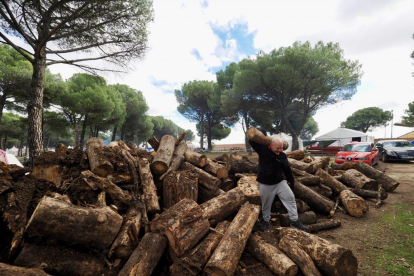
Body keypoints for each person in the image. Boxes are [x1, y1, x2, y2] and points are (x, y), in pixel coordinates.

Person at [249, 130, 308, 232]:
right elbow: (252, 141)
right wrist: (261, 132)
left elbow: (287, 170)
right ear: (270, 146)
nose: (280, 150)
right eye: (278, 148)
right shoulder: (263, 150)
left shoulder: (282, 156)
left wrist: (292, 183)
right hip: (265, 184)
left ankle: (294, 221)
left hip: (279, 183)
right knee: (266, 204)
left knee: (290, 198)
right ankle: (266, 221)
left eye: (281, 148)